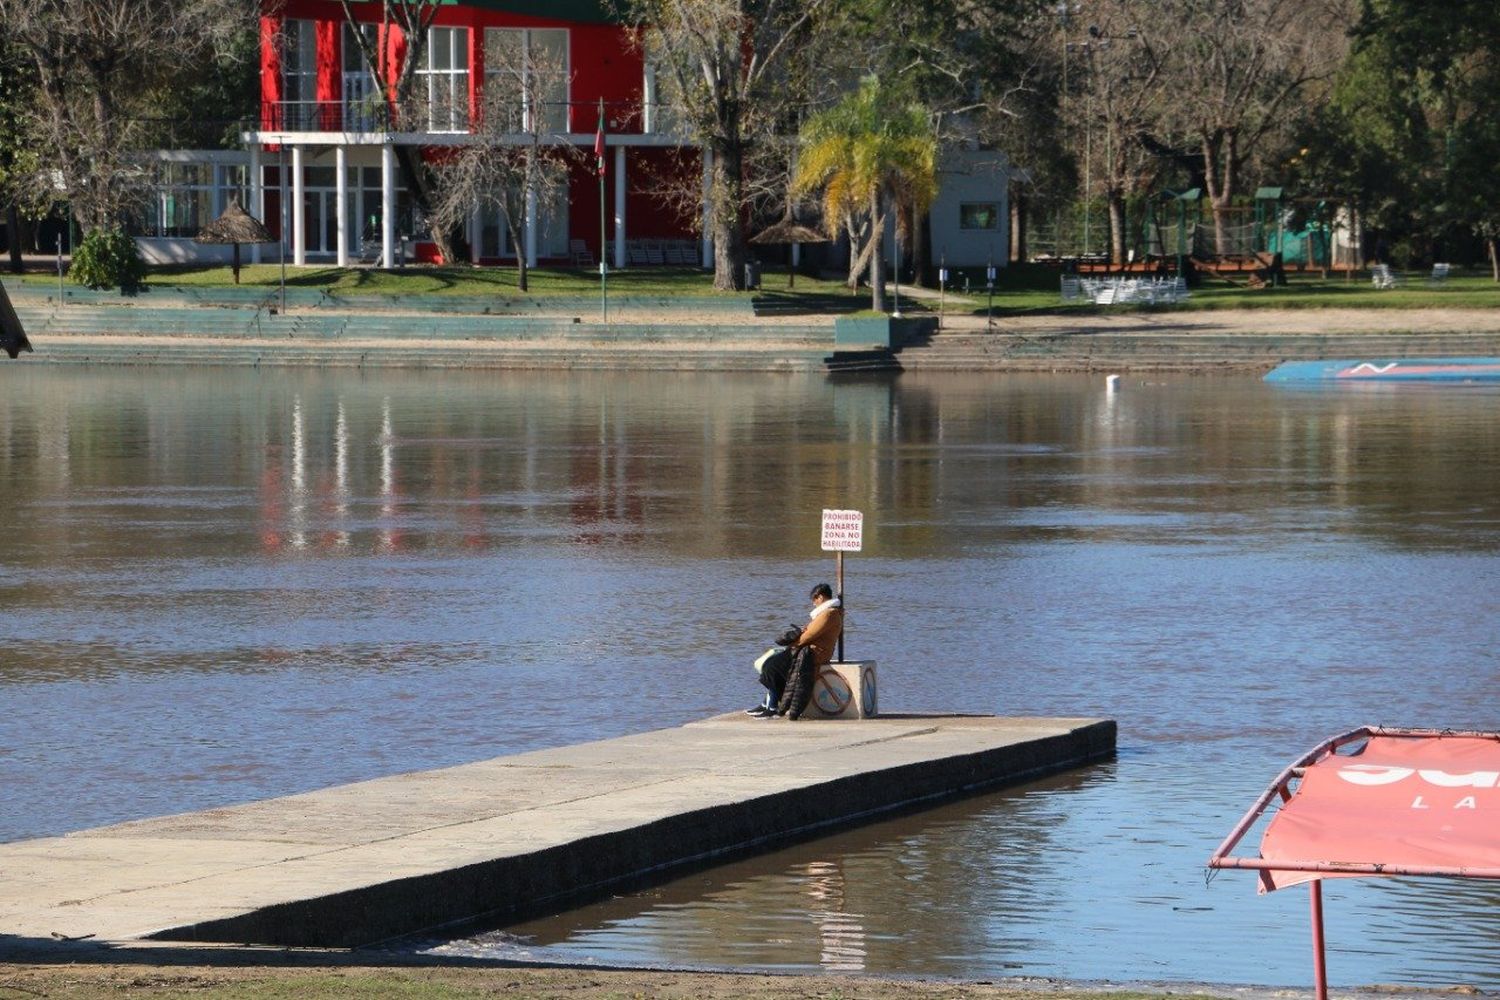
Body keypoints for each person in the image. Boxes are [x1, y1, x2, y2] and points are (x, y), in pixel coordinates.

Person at [746, 583, 843, 719]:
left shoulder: (829, 614)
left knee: (772, 667)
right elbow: (811, 632)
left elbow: (809, 635)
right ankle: (768, 703)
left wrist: (792, 643)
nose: (813, 603)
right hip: (807, 650)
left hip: (814, 653)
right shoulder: (827, 613)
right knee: (771, 665)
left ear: (820, 597)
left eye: (814, 600)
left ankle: (773, 706)